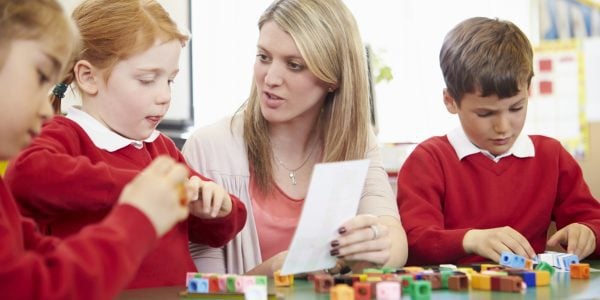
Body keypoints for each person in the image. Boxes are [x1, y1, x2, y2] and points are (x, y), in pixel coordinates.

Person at [4, 0, 247, 288]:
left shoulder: (162, 148)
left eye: (170, 81)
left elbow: (219, 230)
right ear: (88, 77)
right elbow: (27, 175)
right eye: (147, 80)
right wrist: (142, 190)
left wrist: (218, 208)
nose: (164, 96)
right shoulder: (64, 133)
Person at [182, 0, 408, 275]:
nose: (271, 78)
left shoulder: (358, 142)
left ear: (332, 78)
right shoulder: (209, 147)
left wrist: (380, 244)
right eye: (264, 57)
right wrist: (273, 271)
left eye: (294, 65)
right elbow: (203, 288)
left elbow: (394, 238)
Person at [397, 17, 600, 266]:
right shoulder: (429, 160)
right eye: (485, 114)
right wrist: (470, 240)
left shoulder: (552, 156)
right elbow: (414, 242)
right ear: (450, 101)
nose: (503, 127)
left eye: (516, 108)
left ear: (529, 89)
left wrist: (588, 232)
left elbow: (593, 220)